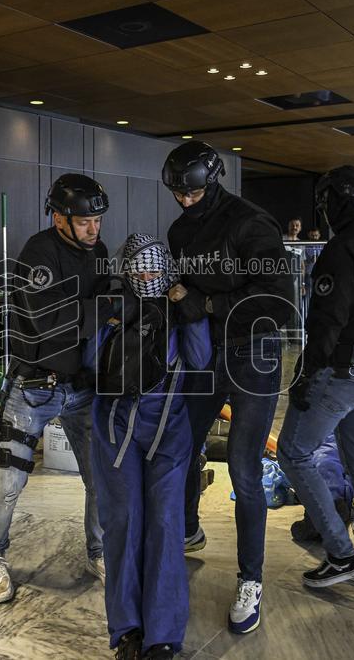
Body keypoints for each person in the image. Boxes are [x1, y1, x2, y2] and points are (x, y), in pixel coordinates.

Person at [163, 140, 293, 634]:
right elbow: (182, 293)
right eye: (177, 193)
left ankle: (250, 579)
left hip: (253, 355)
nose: (185, 201)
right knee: (180, 448)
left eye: (192, 193)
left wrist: (209, 304)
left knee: (244, 467)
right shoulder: (178, 231)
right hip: (203, 355)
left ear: (211, 182)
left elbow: (278, 302)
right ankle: (186, 532)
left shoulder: (250, 223)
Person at [0, 173, 113, 604]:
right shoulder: (38, 254)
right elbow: (51, 323)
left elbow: (95, 314)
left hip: (81, 387)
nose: (94, 229)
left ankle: (100, 550)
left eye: (98, 220)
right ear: (59, 218)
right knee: (9, 481)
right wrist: (106, 308)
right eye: (85, 221)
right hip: (33, 387)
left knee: (100, 478)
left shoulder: (100, 251)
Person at [276, 165, 354, 593]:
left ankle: (341, 553)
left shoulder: (340, 250)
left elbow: (327, 321)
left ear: (336, 201)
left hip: (338, 371)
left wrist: (306, 375)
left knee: (294, 453)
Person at [89, 233, 211, 660]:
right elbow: (92, 365)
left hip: (169, 431)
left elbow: (199, 358)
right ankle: (127, 631)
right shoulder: (111, 307)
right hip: (116, 429)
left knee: (164, 526)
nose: (146, 275)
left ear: (166, 271)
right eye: (138, 268)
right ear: (126, 270)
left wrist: (190, 310)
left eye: (154, 268)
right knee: (123, 524)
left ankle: (162, 635)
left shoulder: (179, 312)